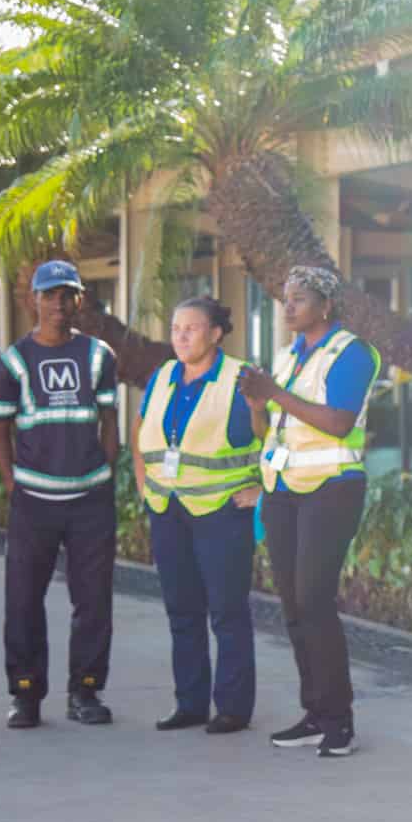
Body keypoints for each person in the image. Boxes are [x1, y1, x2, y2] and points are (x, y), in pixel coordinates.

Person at [237, 266, 382, 759]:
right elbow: (270, 430)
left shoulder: (352, 353)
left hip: (332, 488)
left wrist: (274, 393)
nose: (288, 306)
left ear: (325, 305)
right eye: (285, 298)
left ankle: (340, 720)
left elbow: (339, 423)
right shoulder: (287, 357)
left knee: (315, 600)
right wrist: (257, 403)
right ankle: (315, 713)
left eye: (299, 298)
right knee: (293, 605)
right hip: (282, 488)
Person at [0, 260, 121, 728]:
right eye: (50, 295)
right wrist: (11, 482)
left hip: (90, 501)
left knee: (94, 601)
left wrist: (104, 470)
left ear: (79, 300)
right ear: (33, 301)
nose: (59, 305)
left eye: (68, 295)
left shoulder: (99, 355)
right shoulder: (14, 361)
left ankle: (85, 691)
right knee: (23, 600)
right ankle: (26, 694)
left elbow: (110, 422)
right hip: (34, 501)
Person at [133, 296, 266, 735]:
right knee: (181, 610)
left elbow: (279, 434)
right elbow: (141, 431)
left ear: (215, 334)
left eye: (191, 328)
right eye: (175, 328)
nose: (181, 336)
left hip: (221, 512)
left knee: (227, 612)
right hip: (168, 510)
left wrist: (261, 487)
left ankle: (232, 707)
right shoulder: (164, 375)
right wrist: (142, 482)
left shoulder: (241, 378)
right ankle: (189, 703)